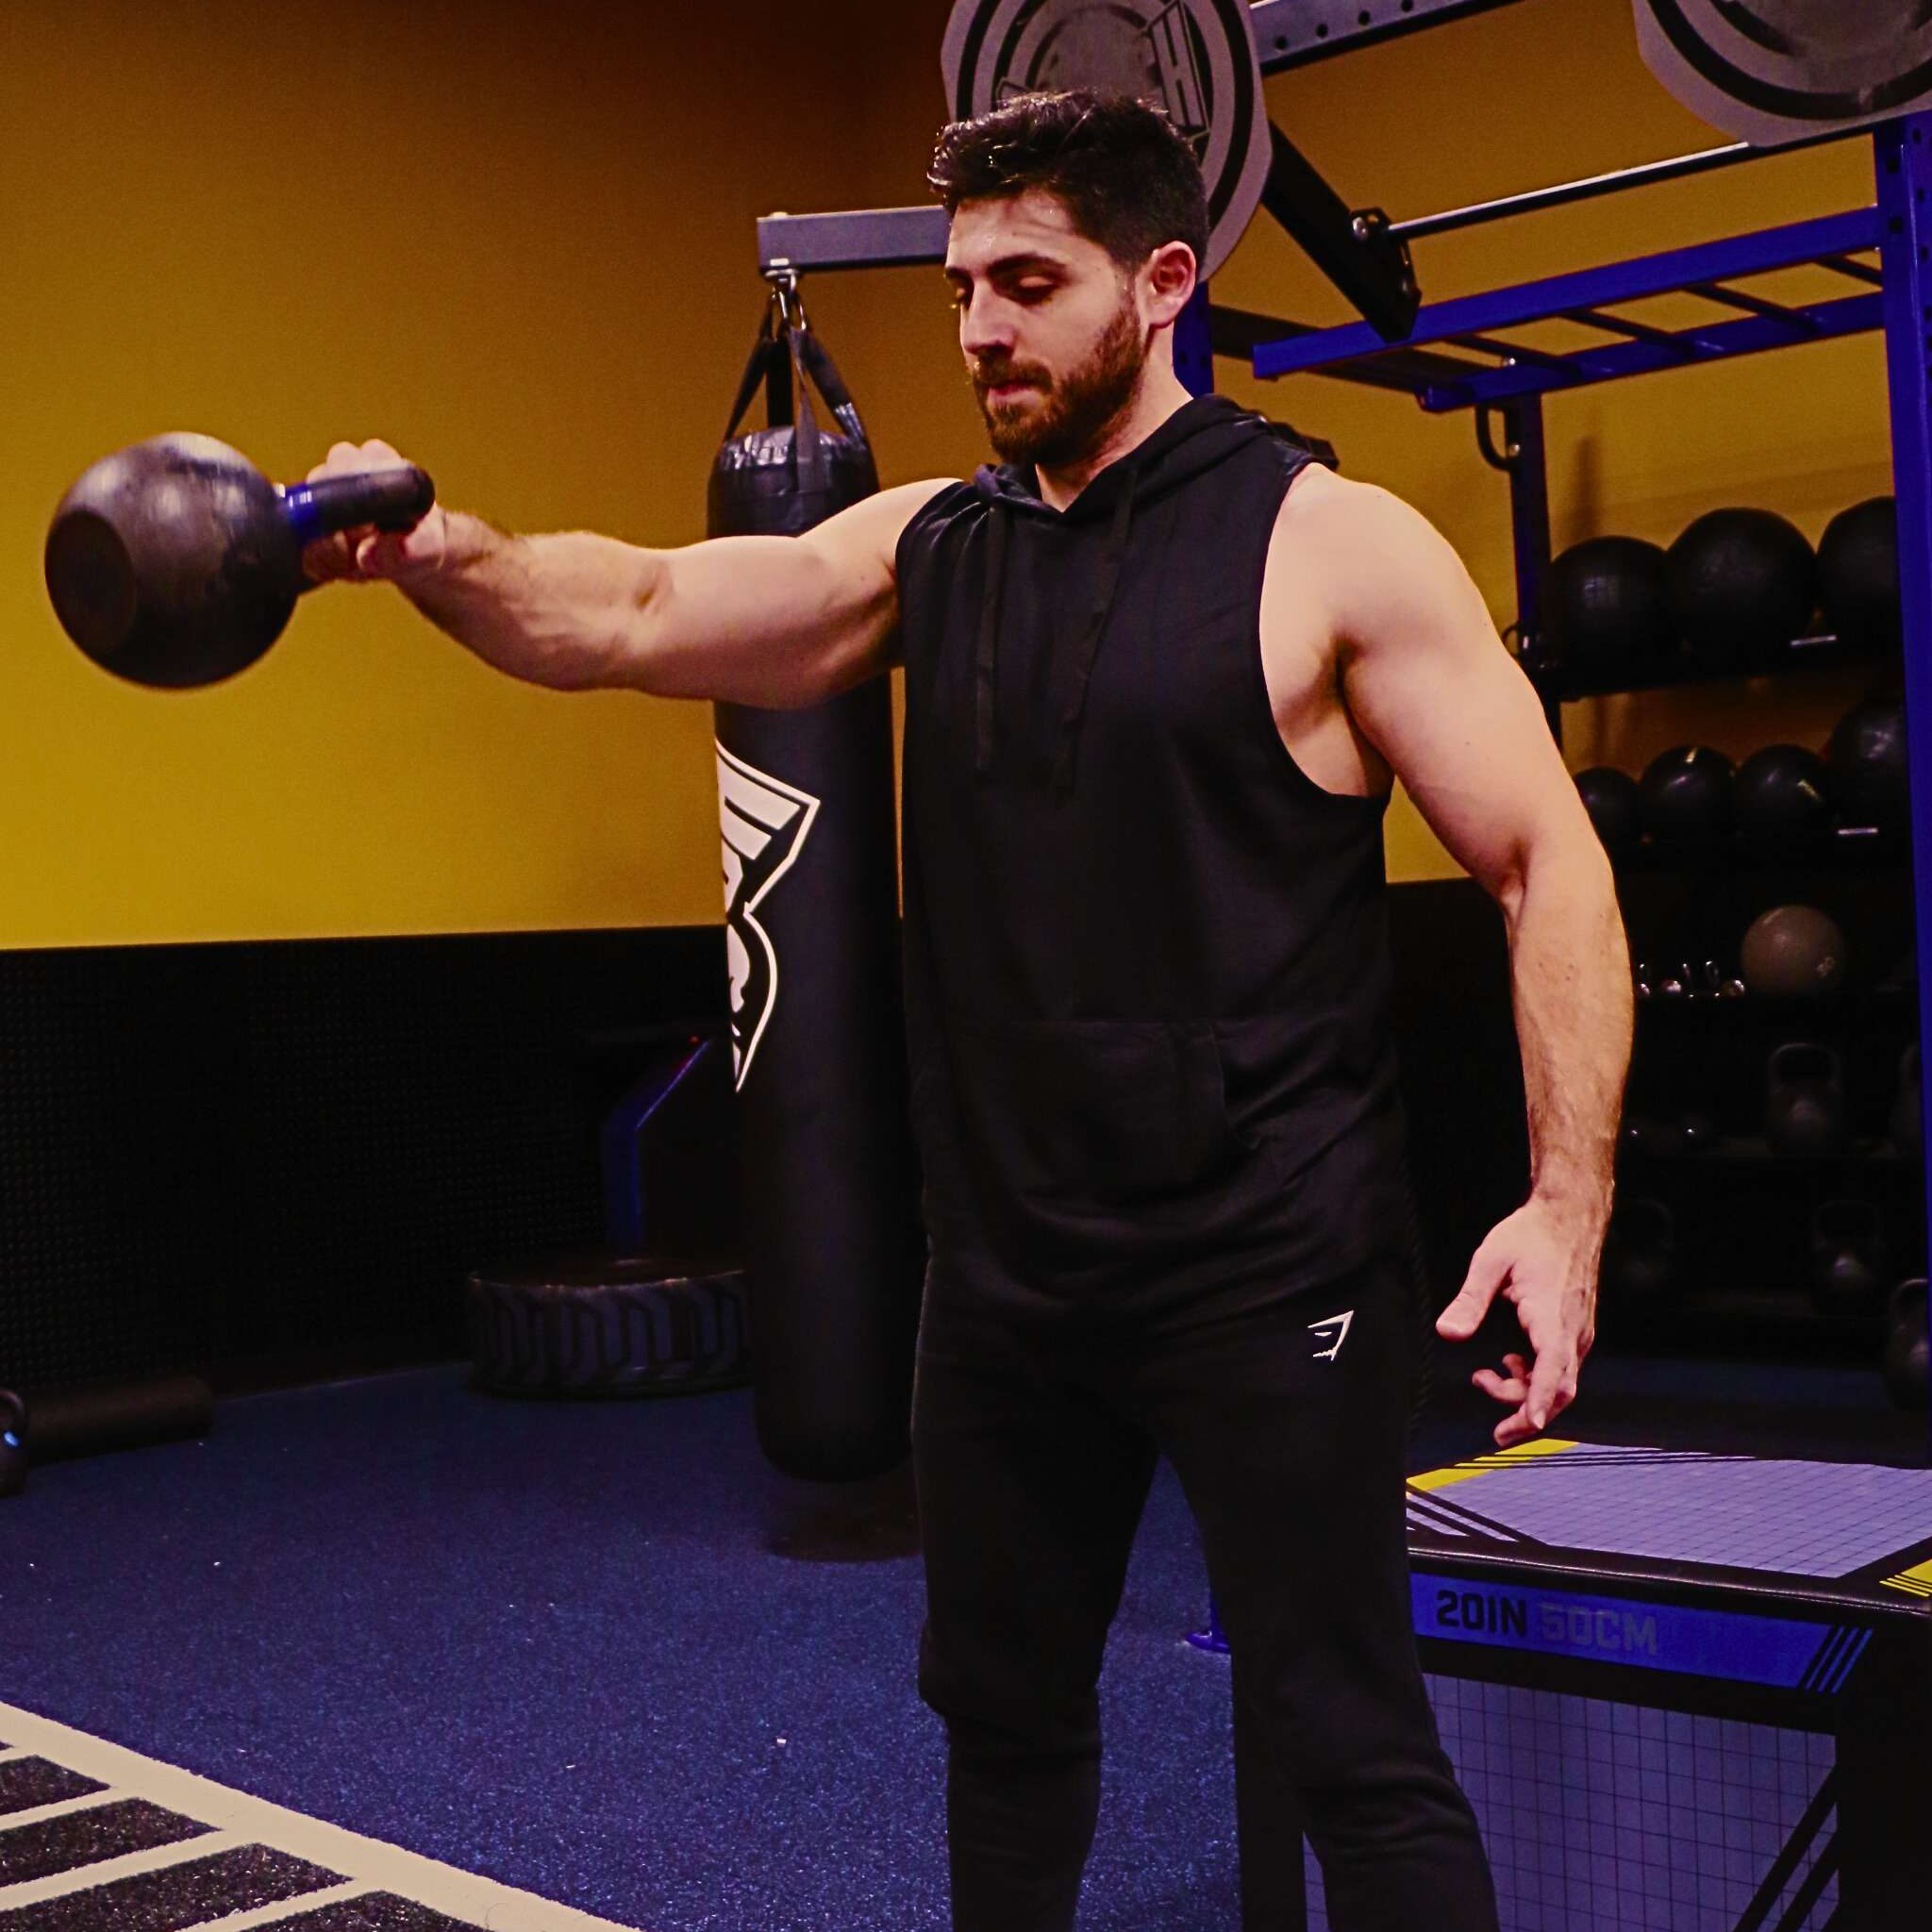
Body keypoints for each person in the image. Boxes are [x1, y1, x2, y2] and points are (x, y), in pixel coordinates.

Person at [304, 88, 1629, 1932]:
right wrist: (441, 550)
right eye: (960, 289)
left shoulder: (1334, 546)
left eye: (1028, 283)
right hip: (1009, 1281)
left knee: (1349, 1741)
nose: (981, 329)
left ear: (1161, 283)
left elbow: (1549, 864)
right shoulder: (927, 546)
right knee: (1004, 1730)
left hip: (1271, 1270)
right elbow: (636, 611)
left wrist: (1565, 1206)